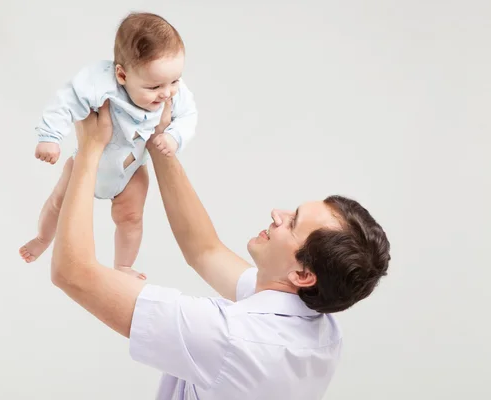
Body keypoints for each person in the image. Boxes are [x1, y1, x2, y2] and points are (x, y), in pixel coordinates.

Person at [50, 101, 391, 399]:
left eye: (292, 223)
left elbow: (73, 272)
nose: (277, 214)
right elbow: (204, 250)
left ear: (302, 274)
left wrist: (90, 152)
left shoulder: (229, 336)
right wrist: (159, 138)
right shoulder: (324, 329)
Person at [19, 12, 197, 280]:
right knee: (58, 203)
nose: (167, 92)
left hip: (131, 171)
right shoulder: (100, 81)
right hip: (86, 164)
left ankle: (123, 265)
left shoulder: (175, 93)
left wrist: (173, 136)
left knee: (131, 219)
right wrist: (50, 137)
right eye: (154, 86)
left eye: (174, 81)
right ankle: (43, 238)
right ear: (122, 74)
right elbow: (66, 101)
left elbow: (189, 116)